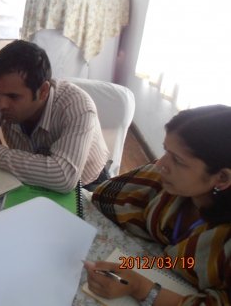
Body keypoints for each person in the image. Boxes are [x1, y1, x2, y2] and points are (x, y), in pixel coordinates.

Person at [83, 105, 231, 305]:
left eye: (178, 160)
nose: (161, 163)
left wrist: (141, 287)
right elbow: (106, 196)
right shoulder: (166, 183)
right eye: (166, 150)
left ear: (221, 178)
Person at [0, 40, 109, 200]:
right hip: (27, 180)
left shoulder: (77, 105)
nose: (0, 104)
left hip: (87, 186)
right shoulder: (1, 95)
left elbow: (64, 177)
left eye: (13, 96)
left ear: (43, 91)